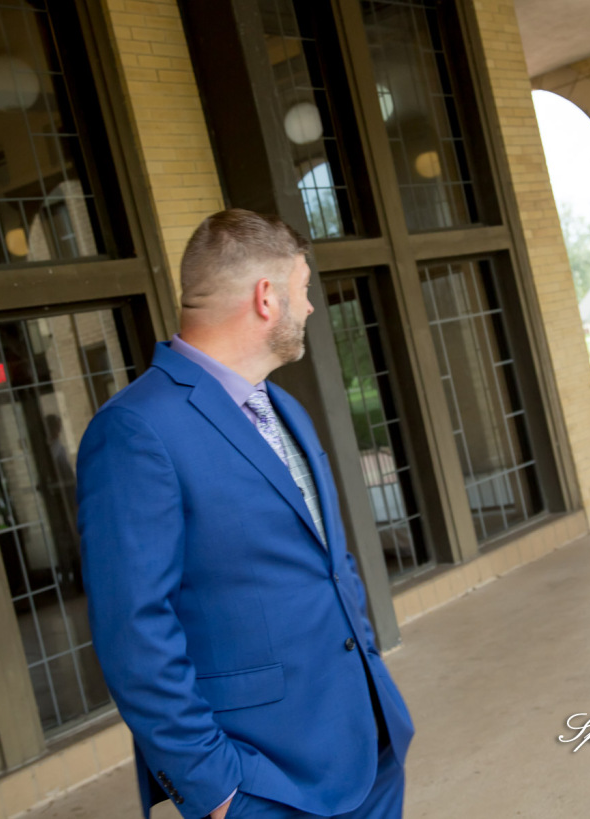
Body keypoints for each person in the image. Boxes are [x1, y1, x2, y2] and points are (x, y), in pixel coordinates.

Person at [76, 209, 413, 819]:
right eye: (303, 290)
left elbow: (330, 565)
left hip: (369, 750)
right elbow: (133, 630)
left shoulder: (286, 408)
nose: (309, 308)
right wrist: (213, 789)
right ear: (267, 298)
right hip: (264, 783)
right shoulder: (133, 430)